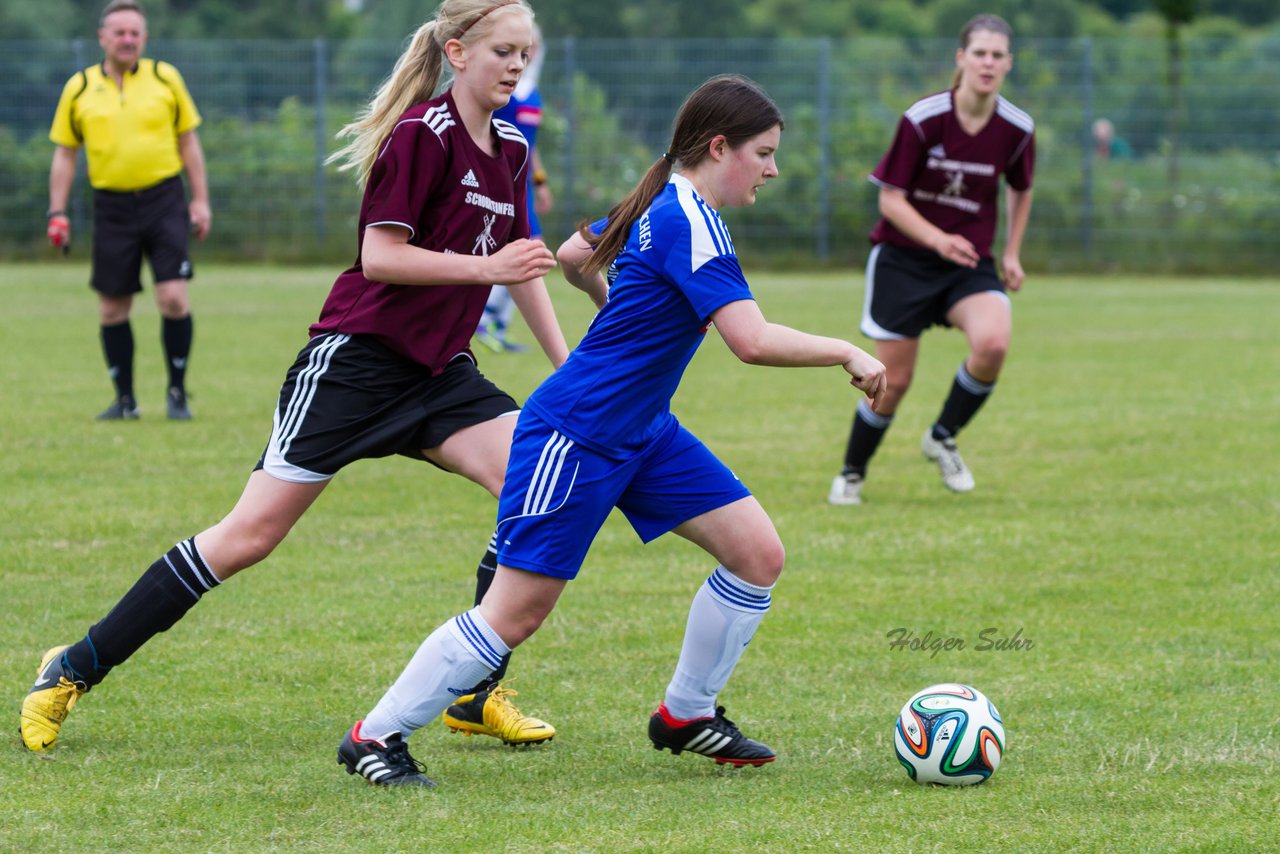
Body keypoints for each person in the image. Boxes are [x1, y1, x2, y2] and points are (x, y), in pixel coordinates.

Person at [20, 0, 570, 758]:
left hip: (441, 374)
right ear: (457, 53)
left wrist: (566, 370)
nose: (515, 65)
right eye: (503, 50)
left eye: (525, 52)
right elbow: (382, 258)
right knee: (247, 537)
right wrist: (487, 269)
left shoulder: (509, 146)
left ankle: (473, 692)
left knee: (539, 491)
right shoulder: (421, 137)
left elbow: (525, 262)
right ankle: (71, 669)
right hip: (357, 362)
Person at [336, 74, 888, 787]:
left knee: (756, 553)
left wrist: (615, 323)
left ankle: (686, 714)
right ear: (719, 147)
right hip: (578, 434)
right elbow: (748, 340)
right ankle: (373, 736)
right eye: (765, 152)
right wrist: (846, 349)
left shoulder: (659, 199)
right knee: (516, 612)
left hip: (643, 431)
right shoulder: (687, 218)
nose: (773, 169)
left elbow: (571, 254)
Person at [828, 13, 1035, 505]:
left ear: (1009, 63)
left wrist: (1010, 252)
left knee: (994, 343)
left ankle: (942, 435)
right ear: (961, 59)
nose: (988, 62)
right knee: (893, 381)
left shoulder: (1017, 128)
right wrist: (939, 238)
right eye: (979, 53)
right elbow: (890, 199)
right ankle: (852, 472)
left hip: (968, 263)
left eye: (997, 55)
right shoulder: (923, 120)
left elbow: (1021, 189)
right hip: (903, 260)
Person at [47, 0, 211, 421]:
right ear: (102, 37)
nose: (127, 39)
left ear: (145, 39)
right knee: (112, 308)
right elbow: (66, 154)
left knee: (173, 297)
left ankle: (177, 393)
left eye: (134, 33)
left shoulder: (164, 79)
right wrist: (57, 212)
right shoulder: (79, 87)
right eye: (118, 32)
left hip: (164, 200)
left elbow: (189, 143)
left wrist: (200, 200)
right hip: (111, 206)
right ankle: (125, 402)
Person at [475, 20, 552, 354]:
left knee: (529, 253)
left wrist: (541, 181)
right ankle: (486, 317)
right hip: (505, 183)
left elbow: (529, 146)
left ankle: (494, 325)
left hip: (525, 185)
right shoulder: (504, 92)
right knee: (530, 251)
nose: (527, 53)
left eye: (530, 46)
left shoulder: (530, 91)